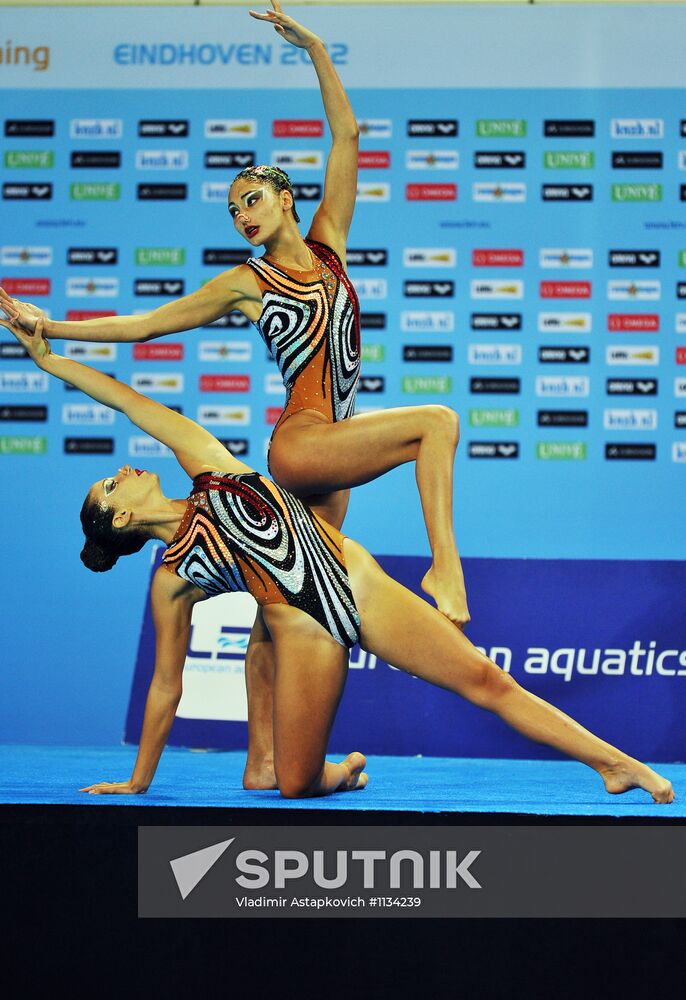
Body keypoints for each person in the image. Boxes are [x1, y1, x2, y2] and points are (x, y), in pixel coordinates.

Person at [0, 1, 469, 790]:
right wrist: (57, 327)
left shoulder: (331, 245)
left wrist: (315, 47)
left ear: (285, 198)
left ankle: (265, 765)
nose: (242, 217)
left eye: (250, 201)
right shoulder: (243, 283)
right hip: (306, 440)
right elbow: (149, 325)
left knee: (284, 609)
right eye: (232, 211)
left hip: (332, 446)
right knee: (434, 425)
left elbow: (347, 138)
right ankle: (445, 569)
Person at [0, 314, 674, 804]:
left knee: (485, 681)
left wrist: (52, 360)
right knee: (297, 784)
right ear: (120, 519)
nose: (124, 469)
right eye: (112, 485)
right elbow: (165, 687)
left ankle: (616, 764)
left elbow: (125, 398)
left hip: (355, 580)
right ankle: (341, 771)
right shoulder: (172, 579)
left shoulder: (206, 466)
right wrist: (139, 779)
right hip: (306, 633)